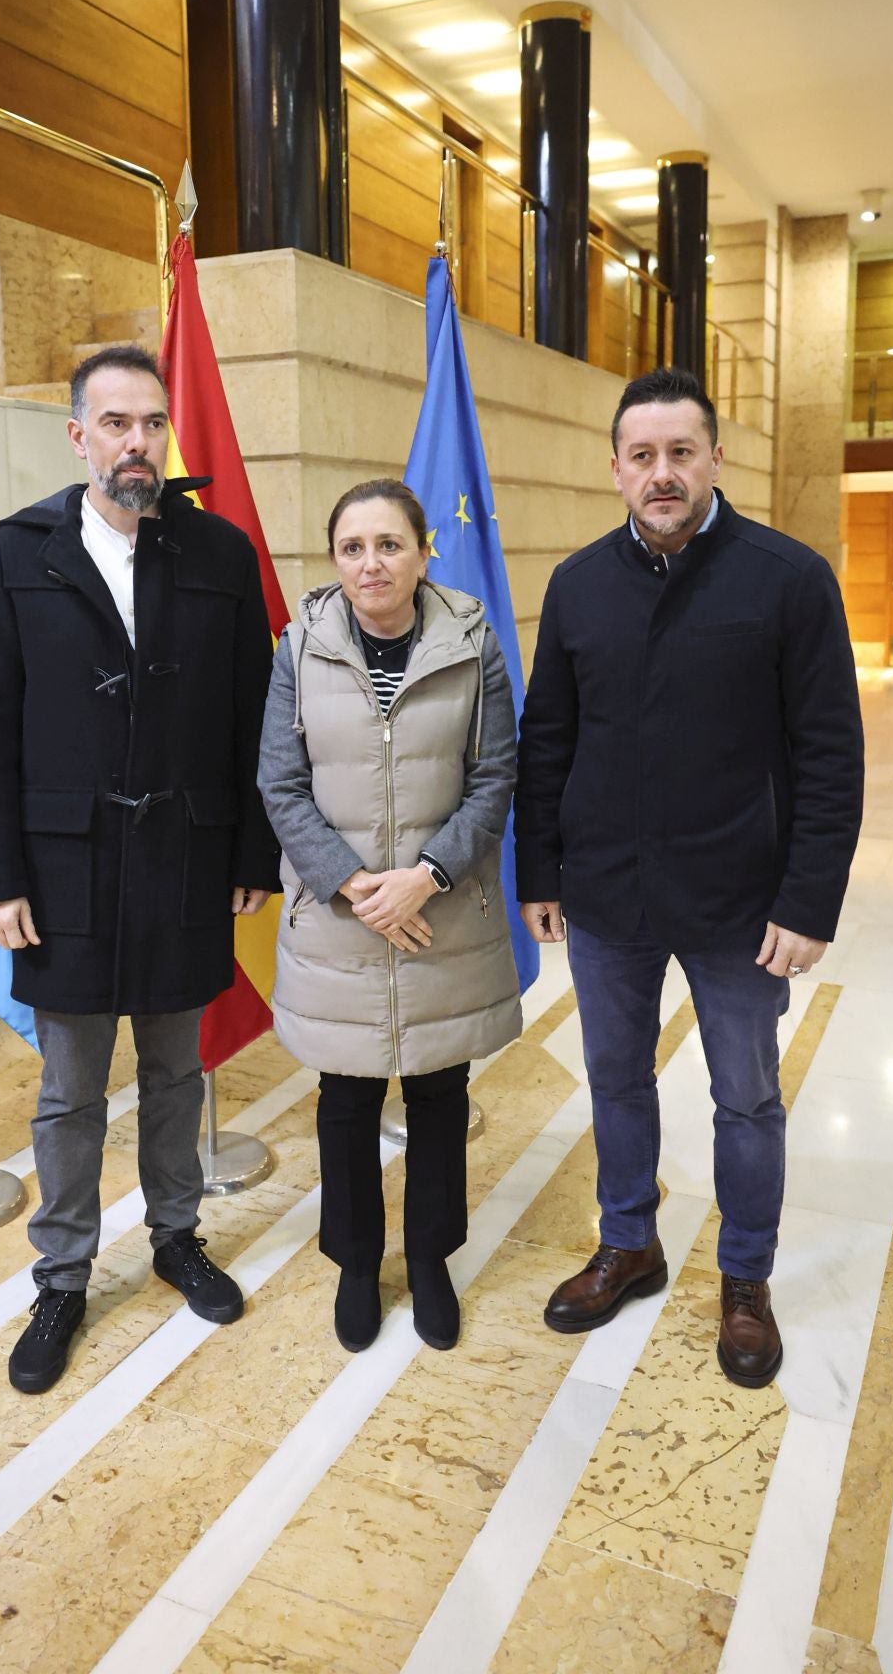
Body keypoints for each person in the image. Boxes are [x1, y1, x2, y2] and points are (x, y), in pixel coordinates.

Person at [516, 367, 863, 1387]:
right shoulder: (576, 584)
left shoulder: (787, 579)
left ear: (714, 458)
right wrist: (539, 870)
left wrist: (807, 903)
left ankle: (744, 1278)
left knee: (745, 1099)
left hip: (738, 902)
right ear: (614, 468)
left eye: (679, 452)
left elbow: (827, 755)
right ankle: (628, 1241)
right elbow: (546, 742)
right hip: (605, 895)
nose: (659, 473)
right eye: (641, 455)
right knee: (615, 1078)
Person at [0, 343, 280, 1394]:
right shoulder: (19, 551)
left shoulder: (220, 554)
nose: (135, 441)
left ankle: (177, 1236)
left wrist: (249, 849)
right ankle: (60, 1276)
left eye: (149, 423)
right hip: (61, 870)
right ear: (78, 437)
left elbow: (248, 722)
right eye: (114, 424)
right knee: (68, 1092)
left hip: (184, 853)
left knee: (177, 1071)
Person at [258, 479, 521, 1354]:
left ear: (421, 552)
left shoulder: (471, 639)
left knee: (442, 1092)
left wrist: (428, 874)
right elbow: (280, 782)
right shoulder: (300, 647)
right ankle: (357, 1262)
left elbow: (494, 775)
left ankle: (432, 1258)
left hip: (439, 911)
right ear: (335, 560)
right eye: (353, 548)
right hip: (342, 917)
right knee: (345, 1095)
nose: (372, 563)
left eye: (389, 544)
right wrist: (355, 884)